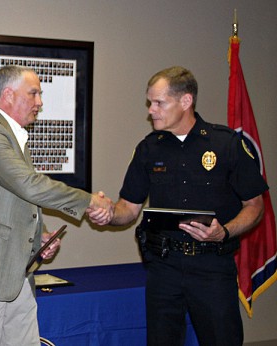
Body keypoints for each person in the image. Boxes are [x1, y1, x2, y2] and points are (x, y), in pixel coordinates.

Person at [90, 66, 268, 346]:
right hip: (164, 267)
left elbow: (255, 206)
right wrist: (108, 212)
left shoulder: (226, 145)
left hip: (212, 266)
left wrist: (225, 231)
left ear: (185, 101)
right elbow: (130, 208)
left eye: (159, 102)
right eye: (150, 102)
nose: (151, 110)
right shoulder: (149, 149)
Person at [0, 65, 113, 346]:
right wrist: (88, 201)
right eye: (33, 93)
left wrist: (39, 238)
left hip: (17, 278)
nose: (40, 102)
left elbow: (15, 198)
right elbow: (28, 184)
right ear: (9, 95)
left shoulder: (15, 139)